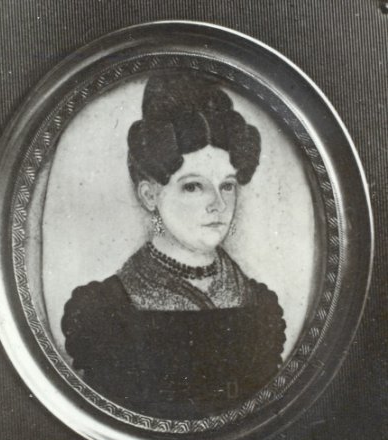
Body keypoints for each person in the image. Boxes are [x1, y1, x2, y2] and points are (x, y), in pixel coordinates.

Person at [61, 73, 286, 419]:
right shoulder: (103, 312)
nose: (218, 205)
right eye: (194, 186)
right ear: (149, 195)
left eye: (227, 186)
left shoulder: (260, 305)